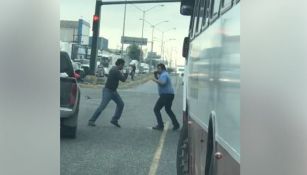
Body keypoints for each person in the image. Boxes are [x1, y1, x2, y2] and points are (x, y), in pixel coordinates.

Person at [88, 59, 128, 128]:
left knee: (121, 104)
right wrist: (127, 73)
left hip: (113, 91)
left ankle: (114, 120)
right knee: (102, 106)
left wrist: (124, 73)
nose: (123, 67)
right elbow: (123, 79)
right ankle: (91, 120)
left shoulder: (114, 69)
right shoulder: (115, 71)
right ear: (120, 64)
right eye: (123, 65)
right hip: (108, 91)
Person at [151, 63, 180, 131]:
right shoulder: (164, 74)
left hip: (165, 95)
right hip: (170, 94)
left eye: (158, 68)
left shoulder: (164, 74)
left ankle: (160, 125)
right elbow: (160, 80)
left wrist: (154, 80)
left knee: (156, 109)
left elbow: (163, 83)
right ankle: (176, 124)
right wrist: (156, 76)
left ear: (162, 68)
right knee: (168, 110)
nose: (157, 70)